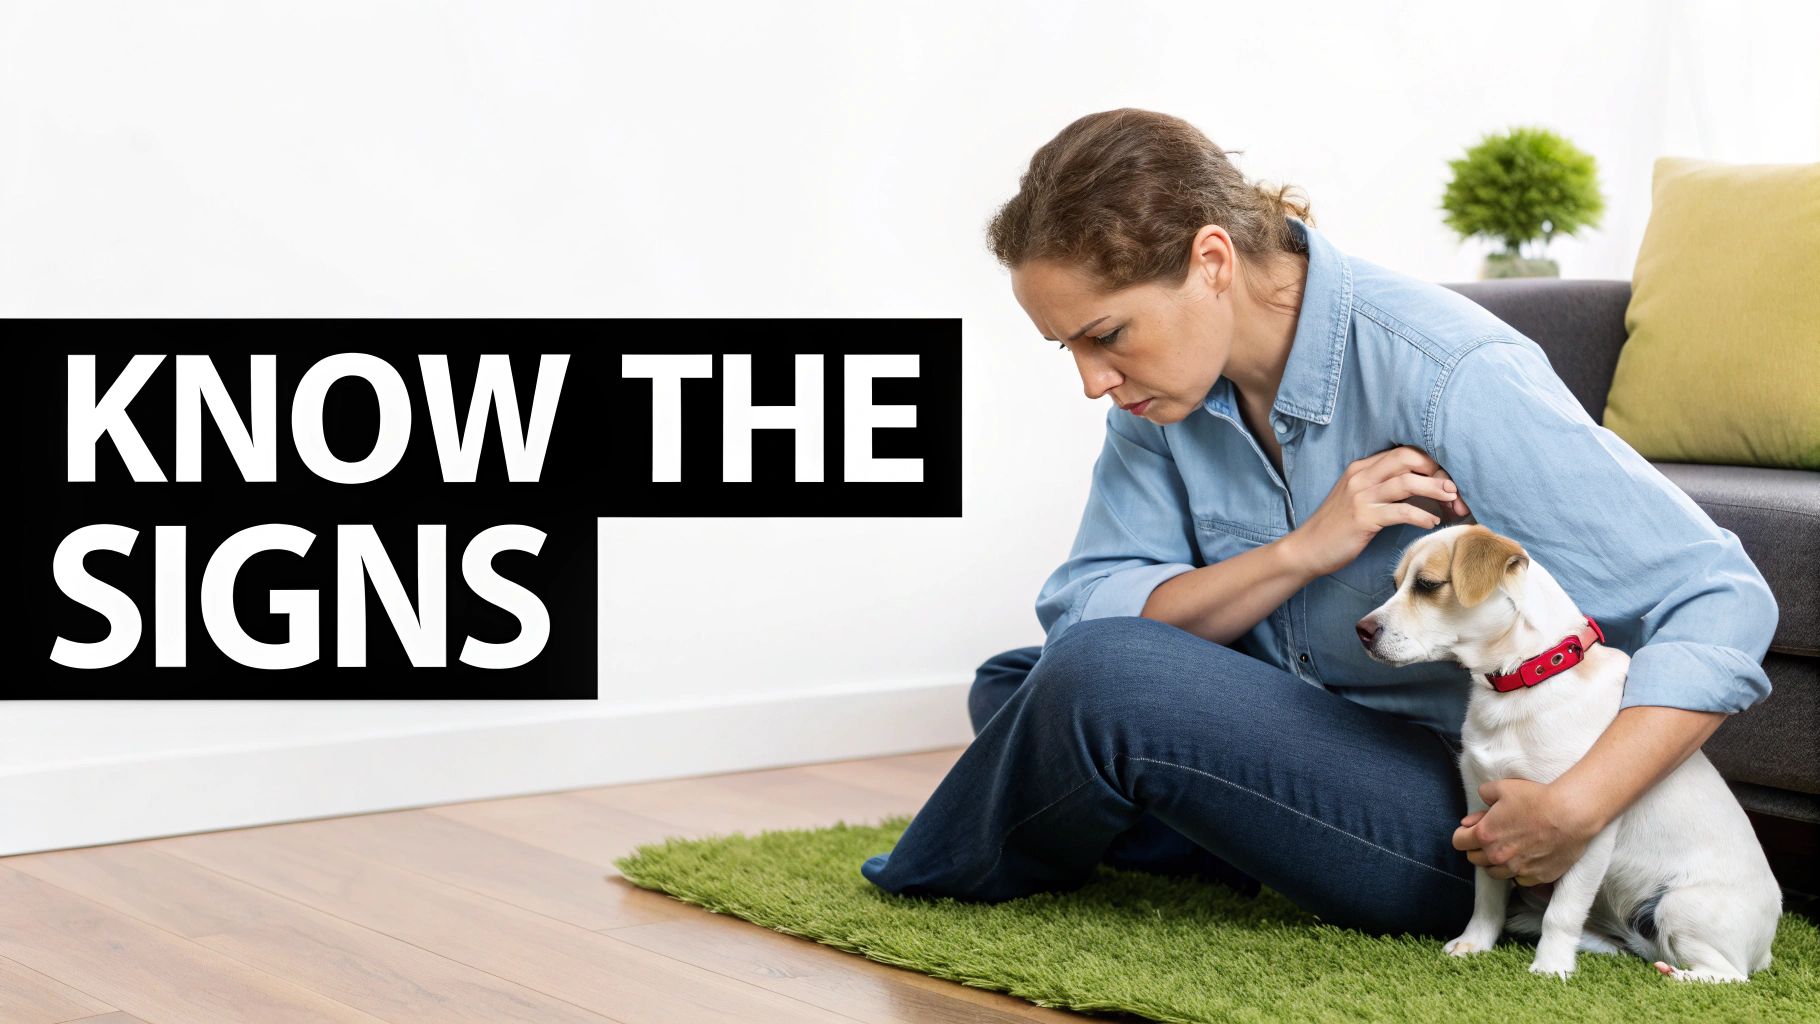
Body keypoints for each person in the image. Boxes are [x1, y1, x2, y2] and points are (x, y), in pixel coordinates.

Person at [858, 108, 1778, 938]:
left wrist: (1575, 808)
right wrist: (1299, 554)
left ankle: (926, 880)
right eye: (1071, 349)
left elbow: (1722, 597)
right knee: (1018, 681)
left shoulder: (1452, 374)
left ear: (1211, 262)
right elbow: (1090, 606)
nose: (1094, 380)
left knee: (1088, 688)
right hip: (1313, 734)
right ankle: (1253, 842)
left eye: (1107, 335)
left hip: (1470, 810)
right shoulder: (1160, 404)